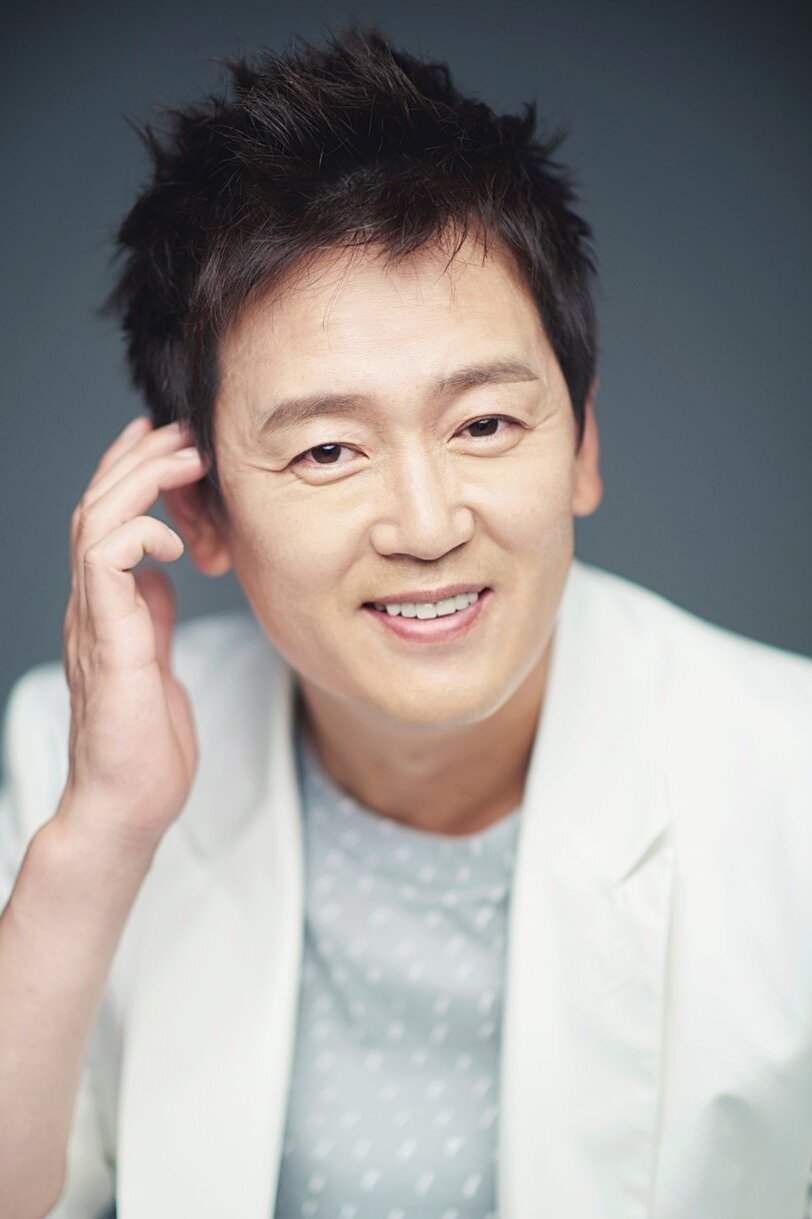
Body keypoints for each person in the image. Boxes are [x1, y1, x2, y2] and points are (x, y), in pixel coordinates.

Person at [0, 20, 810, 1219]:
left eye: (483, 424)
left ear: (580, 445)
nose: (426, 524)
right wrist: (98, 841)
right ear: (201, 510)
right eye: (327, 450)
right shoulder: (68, 762)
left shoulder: (791, 781)